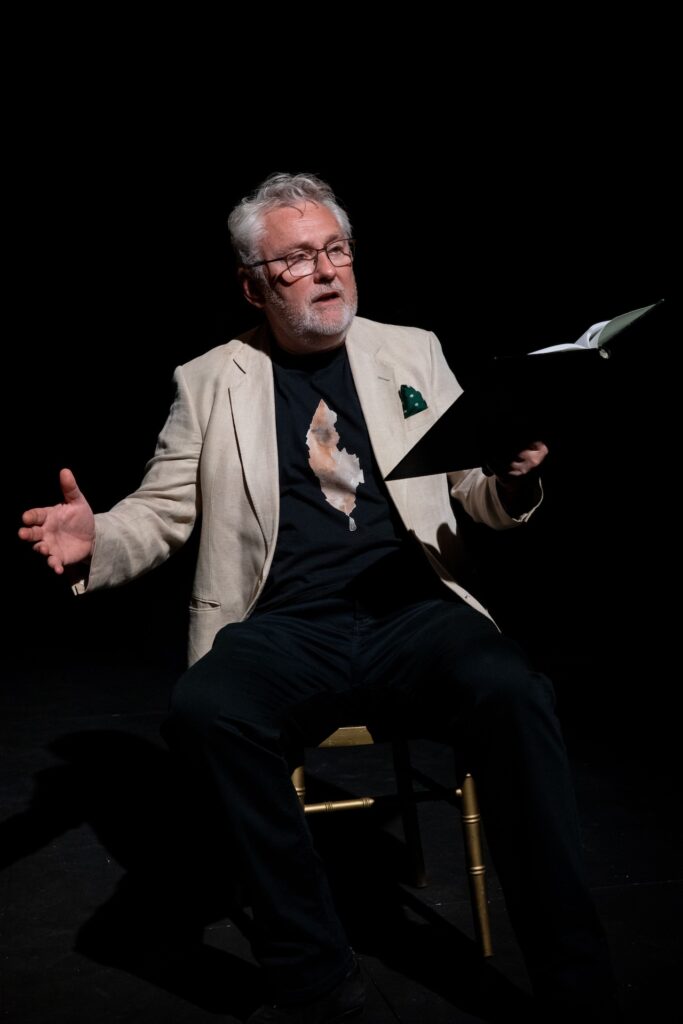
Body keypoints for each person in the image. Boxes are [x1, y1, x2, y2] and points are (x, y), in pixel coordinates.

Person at [19, 172, 618, 1023]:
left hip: (413, 613)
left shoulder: (410, 350)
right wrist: (97, 538)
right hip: (283, 627)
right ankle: (316, 979)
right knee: (206, 707)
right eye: (297, 258)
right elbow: (161, 510)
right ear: (252, 282)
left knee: (515, 692)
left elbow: (474, 496)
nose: (327, 271)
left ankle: (575, 984)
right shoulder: (210, 380)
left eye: (335, 250)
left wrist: (513, 478)